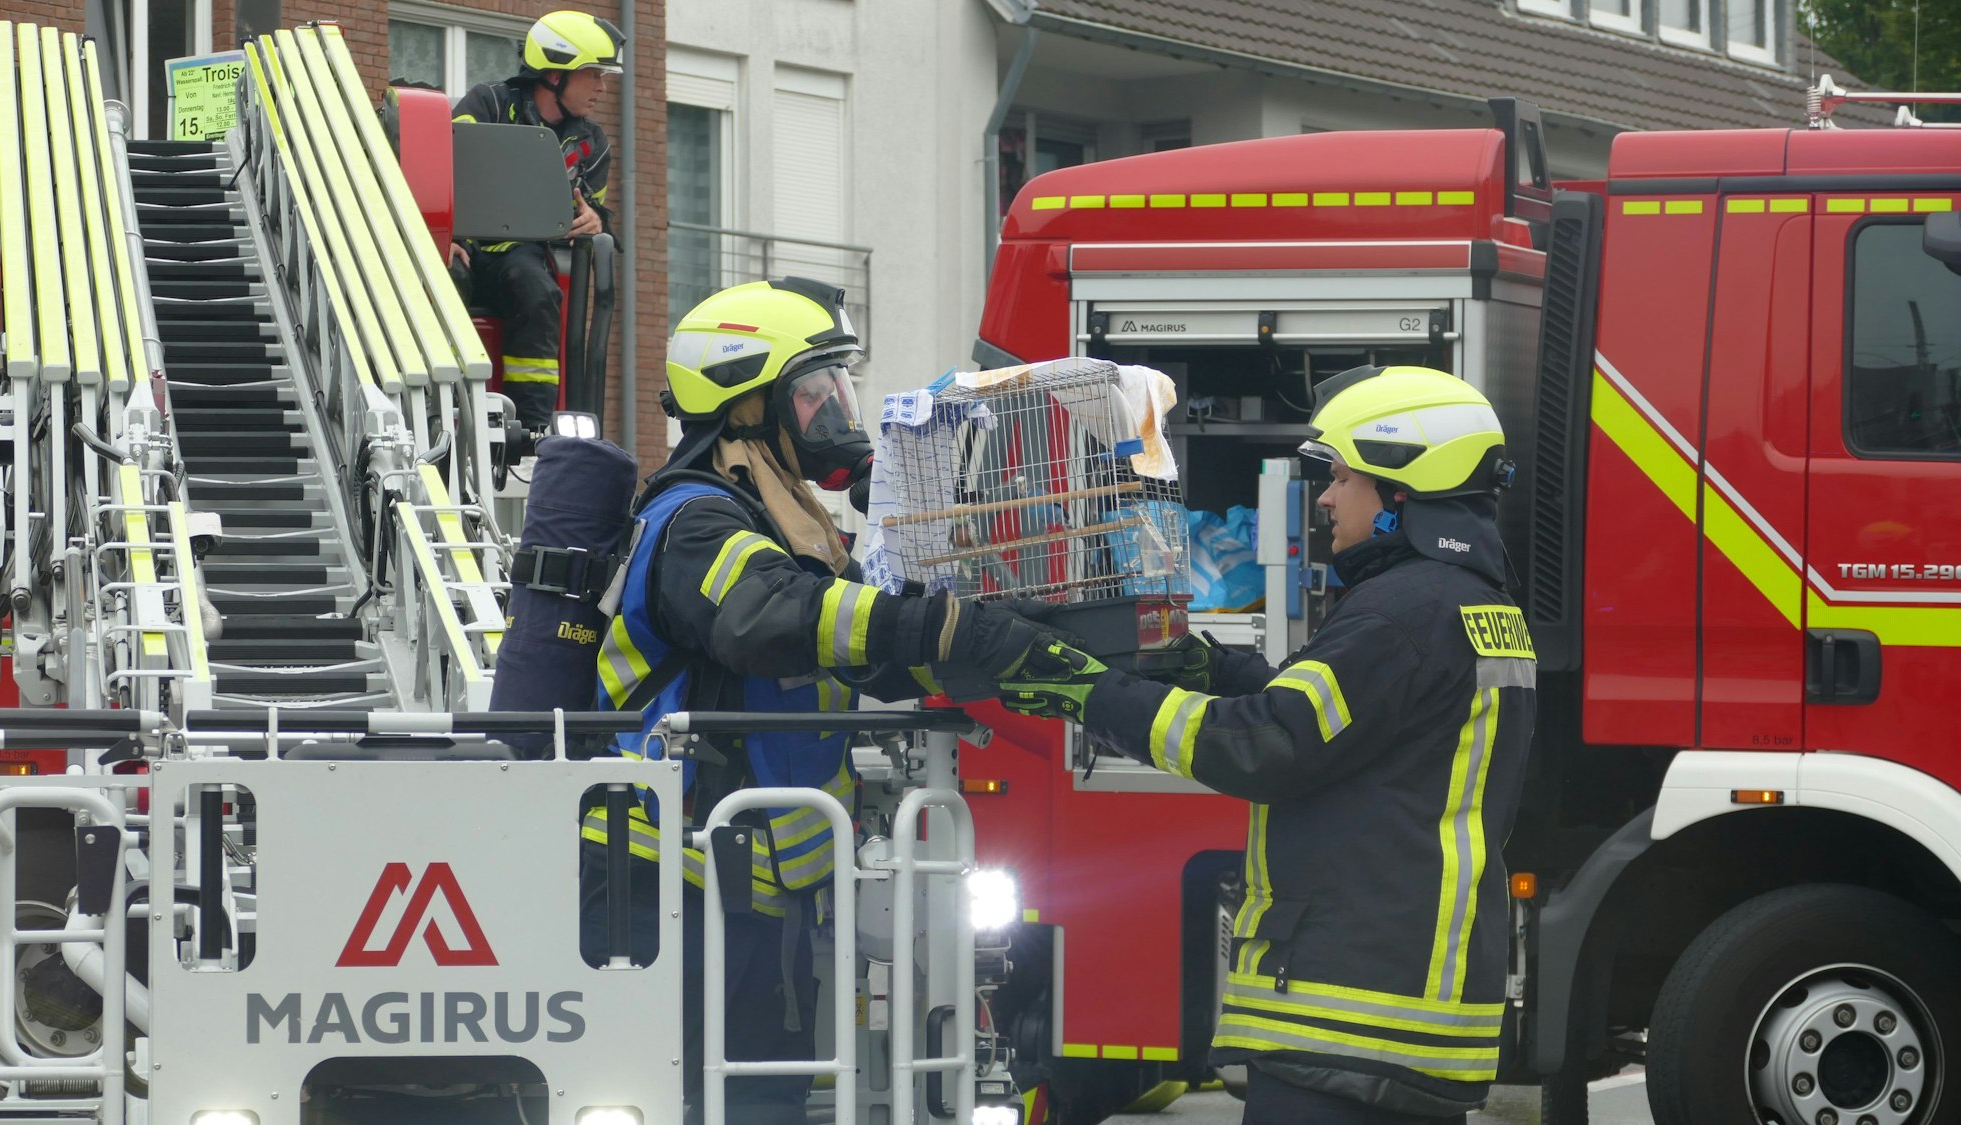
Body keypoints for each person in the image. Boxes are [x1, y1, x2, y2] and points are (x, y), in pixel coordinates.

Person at [996, 366, 1538, 1125]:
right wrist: (1207, 664)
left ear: (1400, 491)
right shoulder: (1474, 604)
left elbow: (1265, 745)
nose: (1323, 497)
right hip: (1408, 1009)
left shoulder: (1401, 614)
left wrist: (1091, 693)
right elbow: (1325, 718)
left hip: (1346, 1019)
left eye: (1342, 477)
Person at [577, 277, 1054, 1123]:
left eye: (839, 386)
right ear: (748, 407)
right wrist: (927, 626)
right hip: (665, 886)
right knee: (678, 1100)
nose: (837, 411)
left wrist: (992, 631)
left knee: (767, 1100)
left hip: (763, 890)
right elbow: (770, 620)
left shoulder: (788, 526)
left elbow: (866, 658)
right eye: (814, 391)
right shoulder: (695, 523)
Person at [449, 10, 622, 429]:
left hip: (523, 254)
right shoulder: (487, 103)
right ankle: (445, 405)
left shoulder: (591, 143)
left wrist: (596, 220)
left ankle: (532, 427)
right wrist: (442, 239)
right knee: (446, 281)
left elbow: (593, 208)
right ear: (555, 72)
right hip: (462, 246)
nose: (602, 87)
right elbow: (439, 167)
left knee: (537, 291)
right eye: (592, 73)